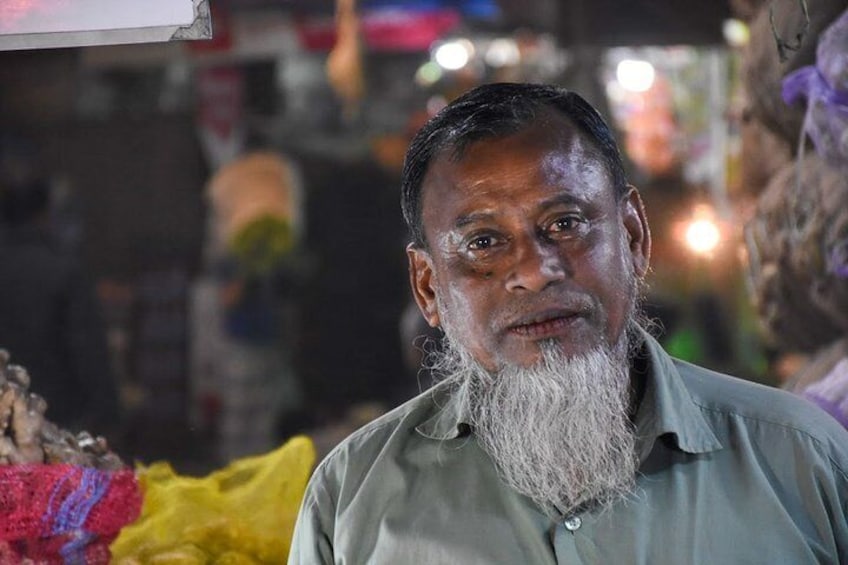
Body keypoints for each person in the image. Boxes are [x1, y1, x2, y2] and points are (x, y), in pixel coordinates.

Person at [288, 83, 848, 563]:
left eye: (565, 223)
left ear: (632, 237)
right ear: (429, 287)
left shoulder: (803, 461)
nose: (535, 271)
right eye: (483, 242)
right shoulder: (350, 501)